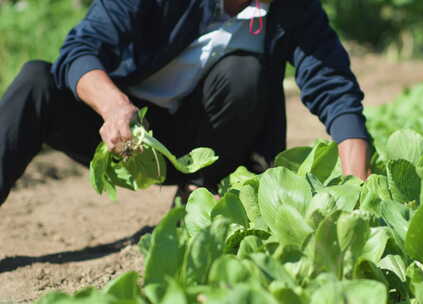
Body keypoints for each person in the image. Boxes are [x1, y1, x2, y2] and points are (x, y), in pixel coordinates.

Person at [0, 0, 371, 205]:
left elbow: (334, 87)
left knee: (246, 70)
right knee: (36, 79)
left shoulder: (293, 9)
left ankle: (199, 195)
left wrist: (358, 188)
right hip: (125, 133)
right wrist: (113, 106)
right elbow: (80, 49)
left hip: (209, 150)